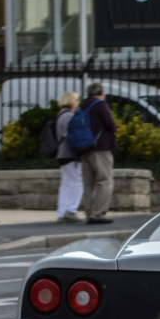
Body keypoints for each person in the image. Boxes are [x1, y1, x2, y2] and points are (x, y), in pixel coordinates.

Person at [79, 83, 118, 225]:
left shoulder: (84, 105)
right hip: (100, 147)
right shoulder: (100, 104)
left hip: (84, 148)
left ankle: (89, 213)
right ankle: (98, 213)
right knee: (104, 181)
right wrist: (115, 128)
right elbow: (110, 124)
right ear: (101, 92)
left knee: (88, 183)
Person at [54, 91, 83, 223]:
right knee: (78, 180)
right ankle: (71, 210)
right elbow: (71, 135)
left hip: (62, 153)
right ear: (71, 101)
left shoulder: (61, 115)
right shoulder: (68, 116)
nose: (77, 103)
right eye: (76, 100)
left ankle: (62, 212)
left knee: (66, 183)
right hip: (69, 153)